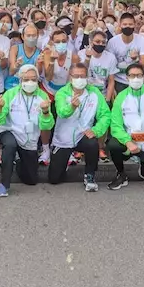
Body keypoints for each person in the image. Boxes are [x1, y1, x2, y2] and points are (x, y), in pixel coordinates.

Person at [0, 64, 54, 197]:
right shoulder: (11, 94)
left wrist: (45, 112)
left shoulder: (43, 96)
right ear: (20, 80)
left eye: (33, 79)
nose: (30, 82)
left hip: (29, 139)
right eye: (26, 79)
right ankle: (4, 184)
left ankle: (19, 160)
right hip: (9, 131)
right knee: (10, 145)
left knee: (31, 180)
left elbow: (47, 126)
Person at [107, 63, 144, 192]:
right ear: (127, 78)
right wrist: (128, 142)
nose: (136, 79)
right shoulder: (121, 97)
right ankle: (121, 174)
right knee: (113, 145)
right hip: (130, 145)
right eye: (132, 76)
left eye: (139, 75)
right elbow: (116, 126)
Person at [50, 62, 109, 191]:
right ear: (70, 77)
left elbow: (105, 115)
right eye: (76, 76)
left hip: (83, 135)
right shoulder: (62, 93)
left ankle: (90, 175)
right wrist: (72, 107)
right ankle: (63, 164)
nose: (79, 79)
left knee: (92, 143)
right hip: (64, 138)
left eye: (82, 76)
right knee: (54, 179)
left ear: (87, 77)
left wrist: (96, 130)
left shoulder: (94, 93)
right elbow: (61, 112)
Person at [105, 13, 144, 101]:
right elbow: (109, 66)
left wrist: (136, 59)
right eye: (125, 24)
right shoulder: (113, 42)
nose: (127, 27)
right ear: (120, 25)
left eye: (130, 24)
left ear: (135, 25)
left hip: (137, 80)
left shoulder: (142, 40)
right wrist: (111, 87)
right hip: (119, 81)